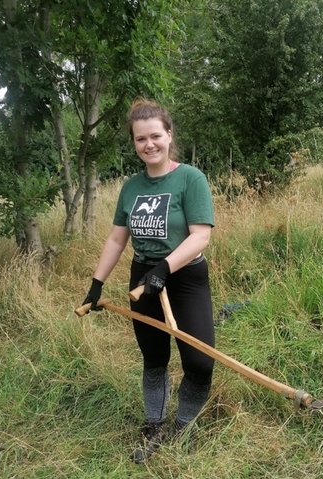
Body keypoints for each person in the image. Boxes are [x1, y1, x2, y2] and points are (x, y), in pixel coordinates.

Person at [82, 97, 215, 464]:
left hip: (184, 276)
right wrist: (97, 284)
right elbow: (116, 239)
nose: (149, 144)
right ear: (134, 143)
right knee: (154, 357)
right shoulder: (131, 188)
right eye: (141, 139)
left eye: (155, 135)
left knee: (200, 361)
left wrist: (166, 269)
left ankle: (183, 424)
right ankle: (154, 424)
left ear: (169, 135)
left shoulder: (191, 178)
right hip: (143, 277)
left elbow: (200, 235)